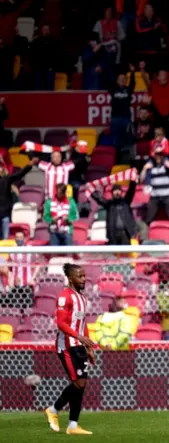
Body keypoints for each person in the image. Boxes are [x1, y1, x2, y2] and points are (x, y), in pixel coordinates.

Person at [44, 263, 96, 435]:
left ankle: (73, 426)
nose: (84, 279)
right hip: (66, 346)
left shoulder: (82, 298)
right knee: (79, 383)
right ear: (70, 278)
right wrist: (79, 337)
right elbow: (60, 323)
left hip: (79, 345)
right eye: (80, 276)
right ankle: (53, 409)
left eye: (84, 275)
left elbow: (83, 323)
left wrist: (88, 347)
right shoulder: (64, 297)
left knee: (81, 385)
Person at [140, 147, 169, 225]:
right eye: (157, 154)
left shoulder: (167, 166)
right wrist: (144, 169)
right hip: (154, 196)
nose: (159, 156)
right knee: (148, 218)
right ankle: (147, 232)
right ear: (154, 155)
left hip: (167, 196)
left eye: (160, 154)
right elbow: (141, 180)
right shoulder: (150, 166)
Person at [0, 157, 36, 238]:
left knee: (5, 239)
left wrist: (29, 166)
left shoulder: (6, 179)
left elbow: (19, 174)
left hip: (5, 214)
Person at [109, 64, 137, 157]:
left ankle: (128, 158)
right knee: (115, 141)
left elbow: (133, 83)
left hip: (126, 118)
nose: (122, 80)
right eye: (120, 78)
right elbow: (109, 81)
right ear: (117, 80)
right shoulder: (113, 89)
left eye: (124, 78)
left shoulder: (128, 90)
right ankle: (116, 158)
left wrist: (132, 72)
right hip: (115, 118)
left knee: (129, 138)